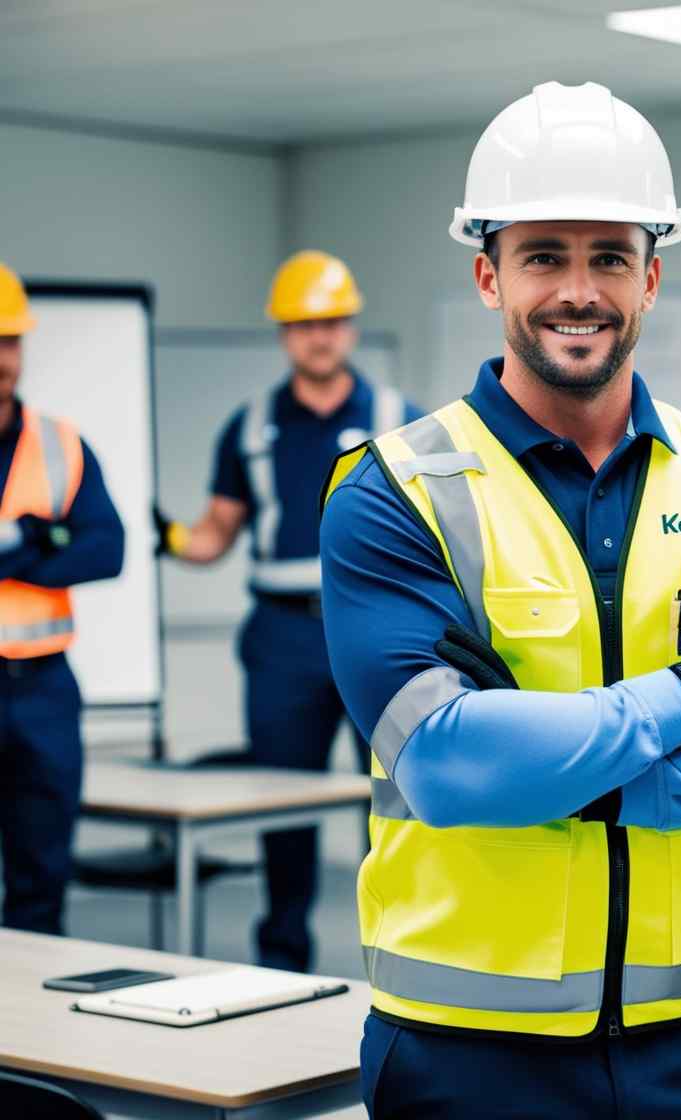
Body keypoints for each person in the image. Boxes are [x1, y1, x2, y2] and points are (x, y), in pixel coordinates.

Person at [319, 82, 681, 1119]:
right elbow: (446, 764)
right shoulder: (395, 489)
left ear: (651, 278)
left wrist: (577, 779)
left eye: (609, 257)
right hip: (467, 1056)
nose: (577, 290)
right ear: (488, 274)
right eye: (543, 255)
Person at [154, 251, 422, 972]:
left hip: (375, 628)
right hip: (280, 638)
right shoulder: (249, 429)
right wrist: (170, 538)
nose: (320, 337)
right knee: (281, 802)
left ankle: (400, 951)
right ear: (283, 334)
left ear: (351, 327)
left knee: (400, 797)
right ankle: (280, 961)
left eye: (332, 321)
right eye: (305, 324)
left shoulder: (402, 420)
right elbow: (218, 530)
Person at [0, 261, 125, 934]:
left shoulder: (60, 444)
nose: (3, 357)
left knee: (42, 877)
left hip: (43, 689)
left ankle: (20, 1035)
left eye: (11, 340)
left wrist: (18, 548)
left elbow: (107, 549)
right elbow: (66, 542)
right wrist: (40, 540)